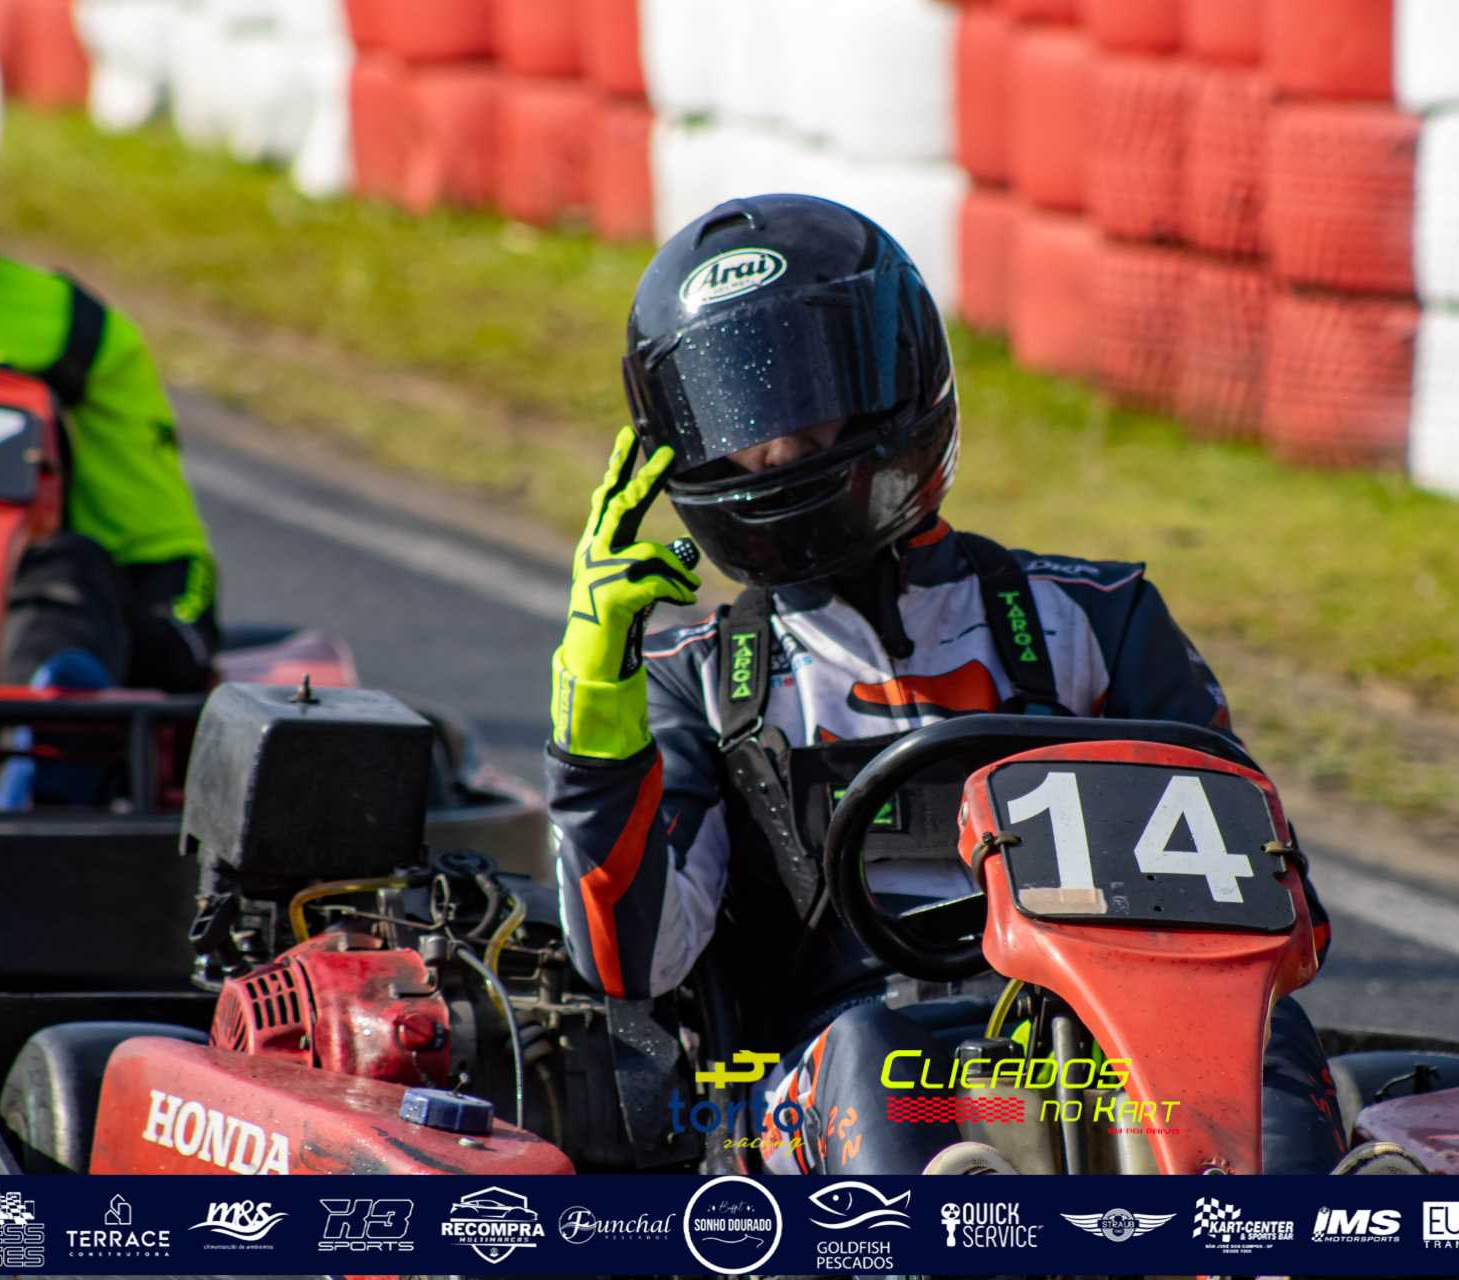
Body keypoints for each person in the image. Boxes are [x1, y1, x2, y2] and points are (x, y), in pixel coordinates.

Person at [545, 194, 1342, 1174]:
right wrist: (597, 716)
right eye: (741, 415)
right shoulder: (700, 683)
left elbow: (1282, 921)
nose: (778, 447)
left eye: (803, 397)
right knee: (879, 1058)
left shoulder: (1095, 621)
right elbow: (634, 960)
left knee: (1262, 1043)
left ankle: (1275, 1233)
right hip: (824, 1078)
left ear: (895, 382)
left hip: (1101, 1045)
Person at [0, 2, 217, 787]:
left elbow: (162, 559)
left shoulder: (66, 328)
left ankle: (46, 756)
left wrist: (174, 635)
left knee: (67, 570)